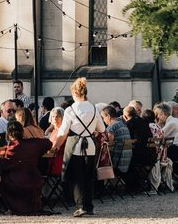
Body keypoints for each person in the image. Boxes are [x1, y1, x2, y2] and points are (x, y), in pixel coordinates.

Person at [52, 77, 104, 218]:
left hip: (75, 146)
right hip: (90, 146)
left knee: (77, 177)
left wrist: (55, 146)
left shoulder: (70, 110)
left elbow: (63, 132)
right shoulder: (93, 108)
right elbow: (102, 128)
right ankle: (89, 206)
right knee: (89, 177)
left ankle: (80, 206)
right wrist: (92, 130)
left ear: (75, 93)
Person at [0, 120, 52, 215]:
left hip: (16, 182)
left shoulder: (11, 148)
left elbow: (1, 164)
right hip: (35, 179)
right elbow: (48, 143)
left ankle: (11, 206)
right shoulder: (33, 144)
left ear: (9, 134)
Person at [102, 104, 132, 174]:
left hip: (117, 163)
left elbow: (108, 145)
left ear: (108, 116)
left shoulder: (112, 127)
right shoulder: (123, 124)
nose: (103, 120)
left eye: (103, 117)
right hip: (126, 162)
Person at [46, 107, 66, 177]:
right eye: (53, 116)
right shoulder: (54, 131)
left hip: (58, 162)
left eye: (58, 116)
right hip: (51, 158)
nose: (54, 119)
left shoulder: (63, 132)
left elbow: (55, 148)